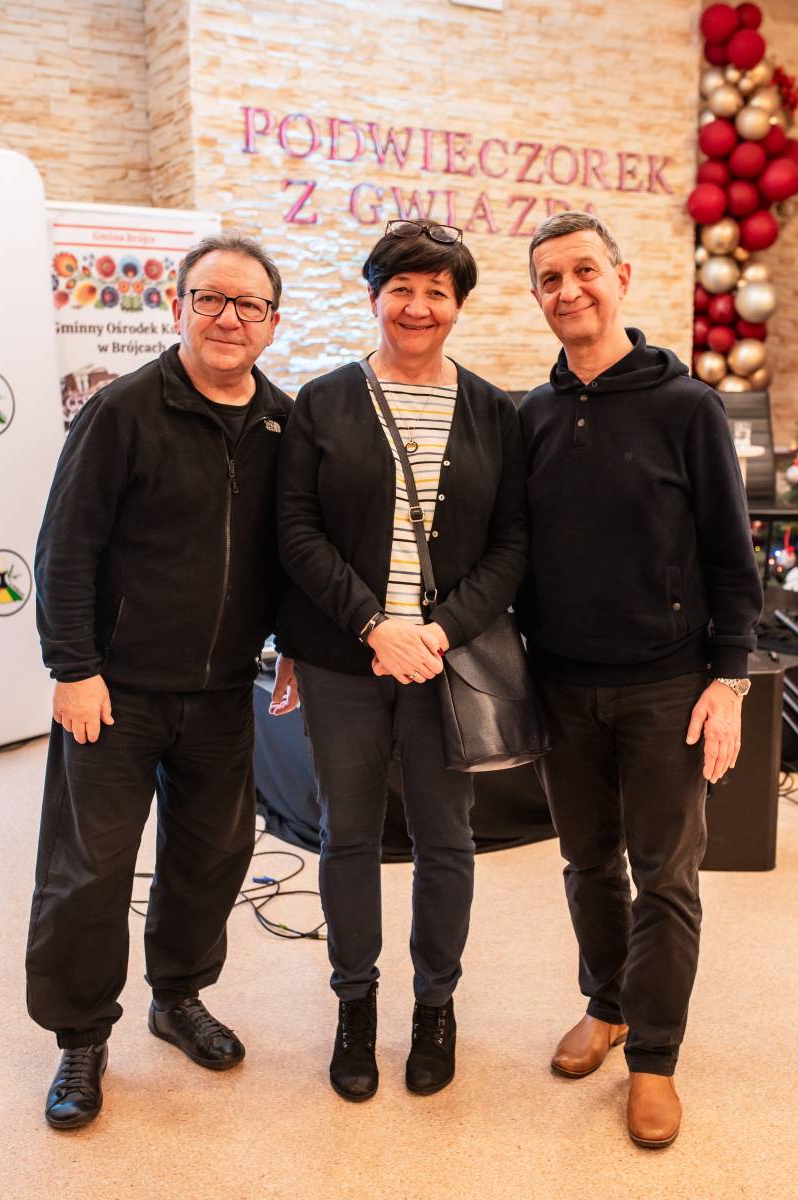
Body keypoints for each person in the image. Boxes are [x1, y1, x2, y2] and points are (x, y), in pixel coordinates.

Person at [27, 232, 297, 1131]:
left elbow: (292, 552)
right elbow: (66, 548)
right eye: (209, 298)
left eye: (248, 304)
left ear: (271, 322)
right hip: (115, 691)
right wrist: (73, 668)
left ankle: (177, 996)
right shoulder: (122, 411)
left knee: (212, 857)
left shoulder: (284, 423)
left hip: (222, 690)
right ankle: (80, 1037)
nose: (228, 318)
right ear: (178, 307)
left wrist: (295, 646)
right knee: (88, 870)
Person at [517, 212, 763, 1148]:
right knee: (587, 863)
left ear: (620, 279)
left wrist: (728, 680)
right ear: (536, 297)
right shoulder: (529, 416)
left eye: (584, 270)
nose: (568, 290)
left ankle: (654, 1058)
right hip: (559, 685)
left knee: (664, 876)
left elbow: (730, 557)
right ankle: (607, 1003)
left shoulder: (687, 406)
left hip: (667, 685)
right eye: (550, 279)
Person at [275, 218, 528, 1101]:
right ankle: (354, 1005)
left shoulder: (493, 411)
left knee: (445, 838)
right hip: (345, 659)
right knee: (346, 835)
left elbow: (511, 543)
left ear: (458, 305)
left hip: (446, 663)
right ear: (373, 295)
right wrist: (373, 625)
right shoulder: (323, 401)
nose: (417, 306)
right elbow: (296, 530)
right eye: (401, 288)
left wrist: (438, 631)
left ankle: (434, 1006)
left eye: (437, 292)